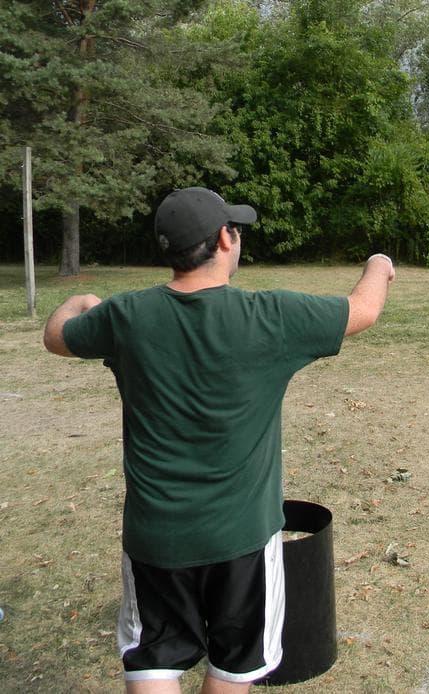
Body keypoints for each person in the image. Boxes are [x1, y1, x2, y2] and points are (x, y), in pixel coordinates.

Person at [42, 186, 394, 694]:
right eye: (236, 229)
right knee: (232, 669)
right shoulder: (270, 317)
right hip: (242, 542)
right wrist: (380, 262)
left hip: (155, 538)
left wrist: (78, 301)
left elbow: (57, 336)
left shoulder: (125, 317)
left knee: (154, 661)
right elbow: (364, 309)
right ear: (224, 240)